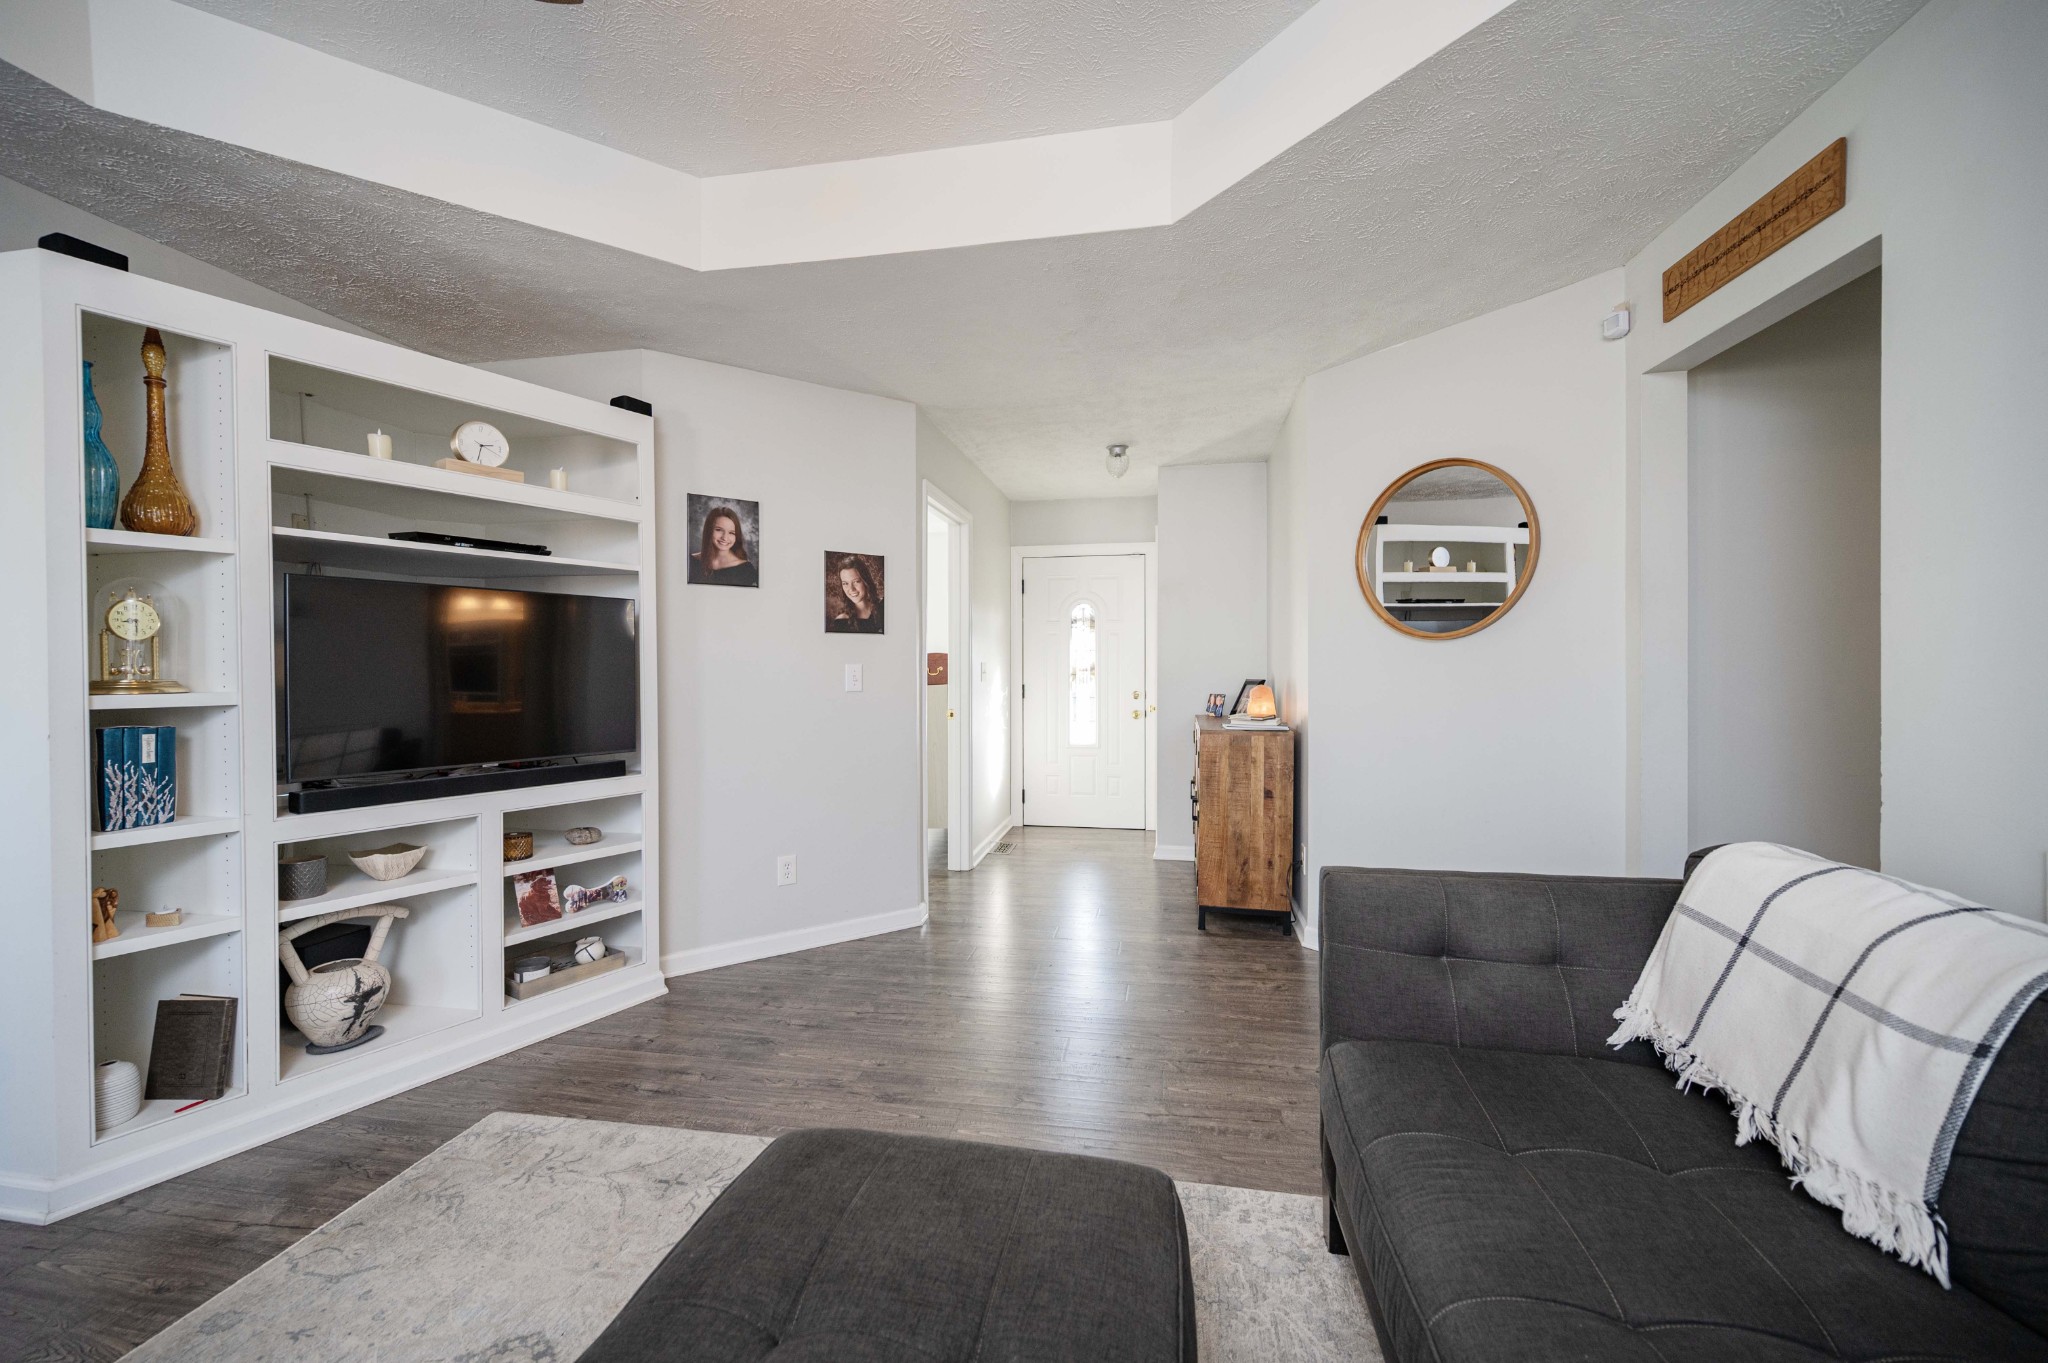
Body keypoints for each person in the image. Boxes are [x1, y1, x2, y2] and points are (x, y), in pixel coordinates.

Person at [690, 506, 757, 586]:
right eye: (719, 530)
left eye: (731, 533)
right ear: (709, 530)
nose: (725, 537)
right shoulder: (690, 561)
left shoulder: (746, 570)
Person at [829, 555, 883, 633]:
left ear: (865, 581)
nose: (851, 589)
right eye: (845, 583)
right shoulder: (841, 623)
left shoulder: (884, 606)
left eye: (856, 581)